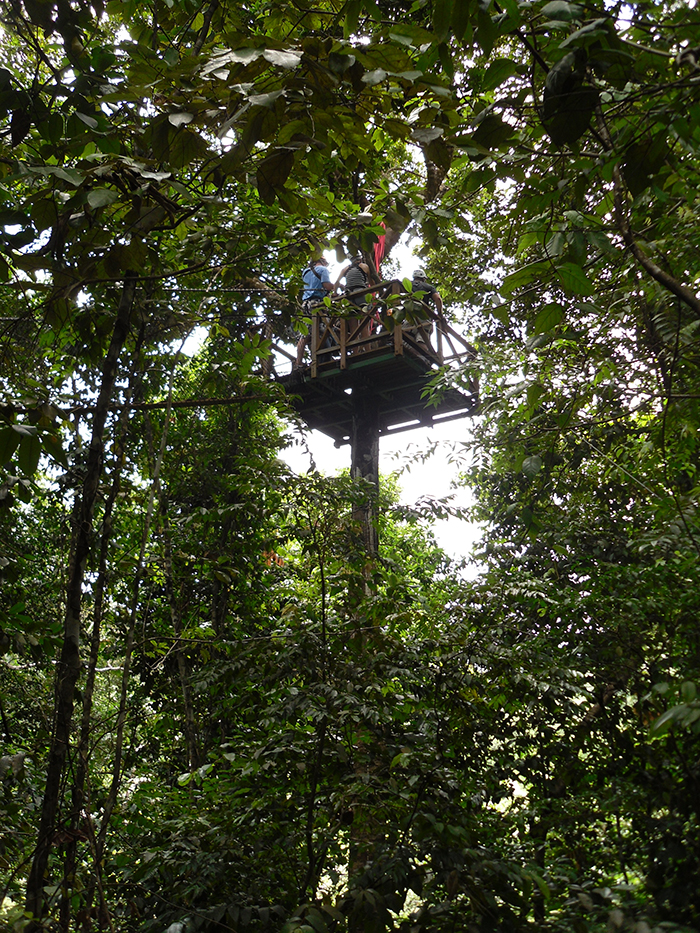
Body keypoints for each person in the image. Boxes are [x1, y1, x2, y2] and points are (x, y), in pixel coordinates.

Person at [297, 256, 334, 366]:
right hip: (317, 304)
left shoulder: (305, 272)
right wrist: (337, 286)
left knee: (305, 334)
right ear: (322, 262)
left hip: (306, 304)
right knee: (322, 331)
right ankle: (318, 361)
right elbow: (327, 286)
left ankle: (298, 362)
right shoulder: (323, 270)